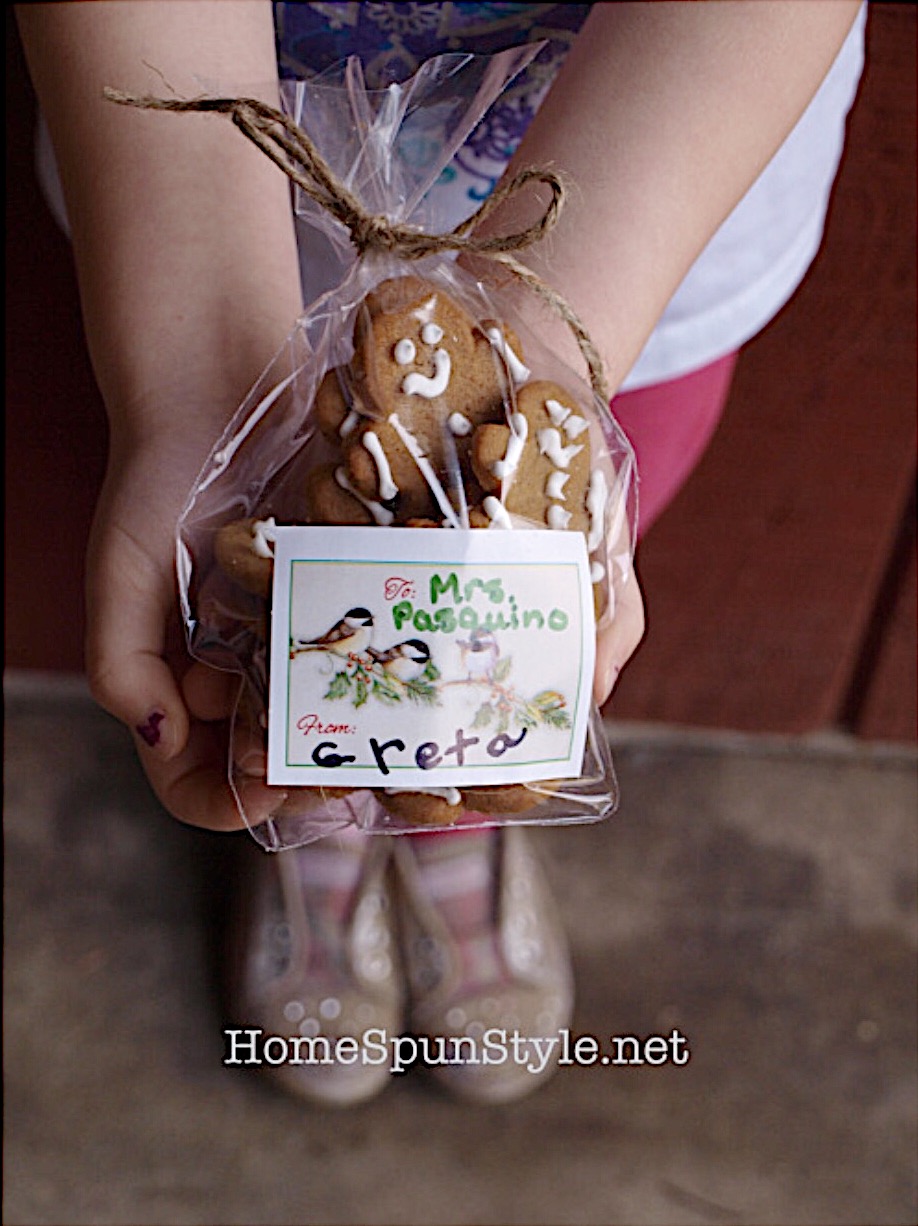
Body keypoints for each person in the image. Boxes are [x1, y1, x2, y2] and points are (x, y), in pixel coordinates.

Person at [16, 0, 865, 1106]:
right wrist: (191, 366)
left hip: (651, 192)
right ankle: (317, 809)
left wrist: (551, 349)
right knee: (251, 582)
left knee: (529, 587)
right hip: (202, 180)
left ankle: (455, 801)